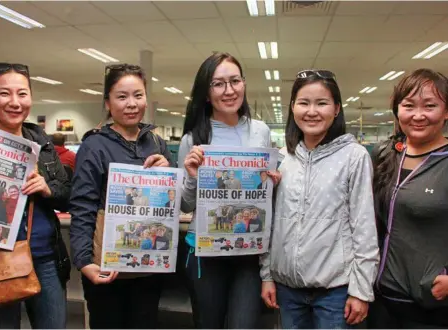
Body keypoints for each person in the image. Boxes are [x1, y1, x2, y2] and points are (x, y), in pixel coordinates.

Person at [260, 69, 379, 329]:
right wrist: (267, 275)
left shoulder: (354, 156)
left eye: (322, 103)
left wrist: (361, 290)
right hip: (288, 290)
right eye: (304, 102)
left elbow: (364, 227)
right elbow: (271, 225)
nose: (311, 111)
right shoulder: (281, 159)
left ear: (336, 109)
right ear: (292, 107)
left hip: (335, 292)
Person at [69, 63, 174, 329]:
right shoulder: (94, 146)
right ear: (108, 102)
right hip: (107, 267)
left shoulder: (156, 142)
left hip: (148, 265)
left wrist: (168, 171)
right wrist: (83, 262)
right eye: (122, 96)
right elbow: (82, 207)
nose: (131, 104)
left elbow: (174, 201)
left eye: (138, 95)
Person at [178, 52, 278, 329]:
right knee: (207, 323)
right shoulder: (193, 139)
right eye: (218, 83)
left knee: (244, 324)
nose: (229, 90)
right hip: (205, 252)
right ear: (206, 93)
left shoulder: (260, 131)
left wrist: (274, 181)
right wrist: (192, 176)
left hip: (248, 251)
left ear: (244, 84)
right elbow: (185, 206)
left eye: (235, 81)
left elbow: (267, 191)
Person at [0, 62, 71, 329]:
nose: (15, 102)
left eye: (22, 93)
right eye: (4, 93)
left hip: (44, 257)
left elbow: (67, 194)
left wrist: (47, 188)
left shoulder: (42, 143)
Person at [368, 69, 448, 328]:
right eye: (409, 106)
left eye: (430, 106)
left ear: (446, 112)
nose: (418, 115)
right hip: (380, 298)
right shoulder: (385, 155)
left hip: (430, 302)